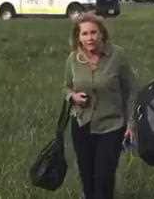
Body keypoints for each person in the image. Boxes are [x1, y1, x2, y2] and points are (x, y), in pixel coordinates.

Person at [64, 13, 136, 199]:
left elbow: (131, 90)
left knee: (104, 176)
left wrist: (131, 124)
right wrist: (72, 96)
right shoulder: (73, 59)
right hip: (81, 124)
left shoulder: (117, 55)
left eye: (94, 32)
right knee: (87, 176)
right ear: (78, 37)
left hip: (111, 125)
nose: (90, 38)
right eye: (85, 34)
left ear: (102, 33)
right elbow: (65, 86)